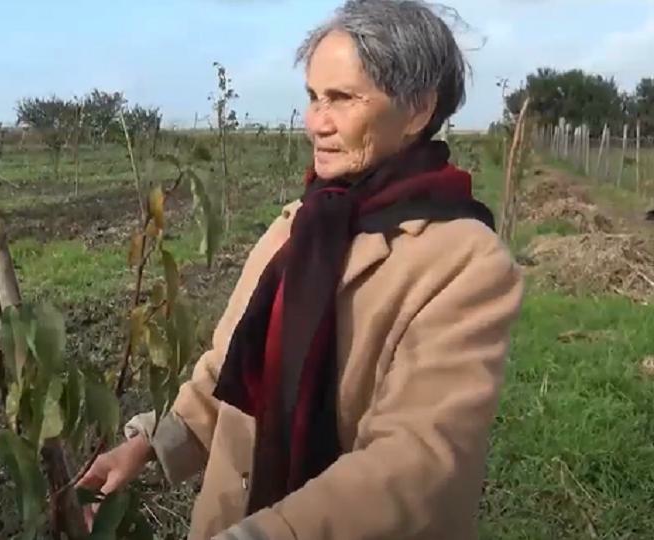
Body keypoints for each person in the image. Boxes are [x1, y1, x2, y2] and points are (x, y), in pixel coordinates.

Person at [77, 1, 524, 538]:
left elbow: (416, 459)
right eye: (313, 97)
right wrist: (151, 444)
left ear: (417, 110)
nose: (316, 123)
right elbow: (231, 370)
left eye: (342, 99)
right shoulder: (298, 225)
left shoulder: (466, 263)